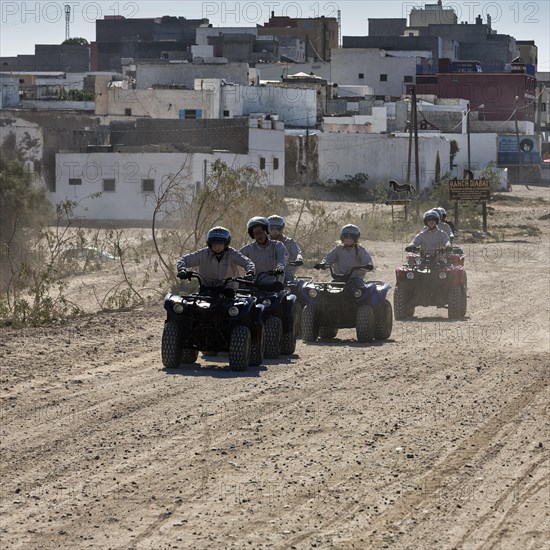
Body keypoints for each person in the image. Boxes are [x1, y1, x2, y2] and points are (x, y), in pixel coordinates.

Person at [176, 226, 255, 290]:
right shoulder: (203, 254)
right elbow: (183, 260)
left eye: (220, 243)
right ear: (209, 243)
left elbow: (247, 262)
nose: (217, 246)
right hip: (206, 290)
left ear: (226, 243)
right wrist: (182, 270)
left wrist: (250, 273)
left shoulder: (232, 254)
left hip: (228, 292)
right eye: (214, 243)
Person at [239, 217, 288, 290]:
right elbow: (235, 257)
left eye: (261, 232)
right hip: (254, 287)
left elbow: (282, 258)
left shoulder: (277, 245)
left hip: (274, 287)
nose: (259, 235)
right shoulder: (248, 249)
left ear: (266, 231)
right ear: (253, 235)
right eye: (256, 233)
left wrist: (280, 267)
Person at [267, 215, 304, 282]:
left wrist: (299, 259)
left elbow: (298, 252)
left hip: (285, 273)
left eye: (277, 228)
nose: (275, 231)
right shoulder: (263, 242)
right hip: (267, 273)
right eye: (272, 228)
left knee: (289, 285)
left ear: (281, 228)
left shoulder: (289, 242)